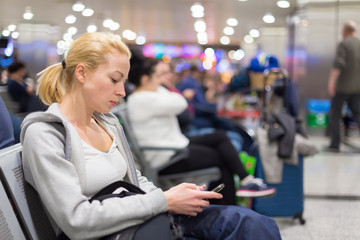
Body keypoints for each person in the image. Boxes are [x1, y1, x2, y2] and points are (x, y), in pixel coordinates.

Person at [21, 32, 282, 240]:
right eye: (114, 79)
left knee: (254, 224)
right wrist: (163, 200)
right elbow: (77, 221)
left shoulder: (106, 122)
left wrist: (170, 199)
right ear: (81, 73)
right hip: (112, 232)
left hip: (137, 220)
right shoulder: (45, 134)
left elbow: (135, 179)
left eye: (124, 81)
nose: (122, 91)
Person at [127, 56, 276, 206]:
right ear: (145, 79)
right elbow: (180, 102)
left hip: (175, 147)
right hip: (168, 158)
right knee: (222, 157)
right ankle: (230, 202)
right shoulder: (142, 99)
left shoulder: (150, 94)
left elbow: (178, 102)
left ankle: (241, 188)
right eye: (159, 76)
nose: (163, 79)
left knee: (220, 137)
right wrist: (170, 89)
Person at [326, 20, 360, 152]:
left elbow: (338, 64)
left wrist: (331, 83)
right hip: (357, 88)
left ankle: (335, 144)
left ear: (345, 31)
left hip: (342, 87)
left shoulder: (343, 44)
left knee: (335, 115)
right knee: (358, 115)